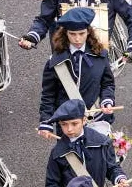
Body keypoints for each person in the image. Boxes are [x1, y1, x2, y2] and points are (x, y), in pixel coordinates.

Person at [44, 99, 129, 187]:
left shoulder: (102, 142)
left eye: (74, 123)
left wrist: (119, 178)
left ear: (84, 120)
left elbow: (112, 167)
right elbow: (52, 184)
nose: (69, 129)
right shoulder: (57, 152)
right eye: (64, 124)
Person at [36, 7, 116, 136]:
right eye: (72, 34)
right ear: (65, 34)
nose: (77, 39)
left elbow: (107, 84)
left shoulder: (101, 55)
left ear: (88, 32)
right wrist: (46, 122)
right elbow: (48, 95)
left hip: (96, 117)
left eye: (81, 33)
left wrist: (107, 100)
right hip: (69, 124)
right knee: (69, 156)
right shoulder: (55, 62)